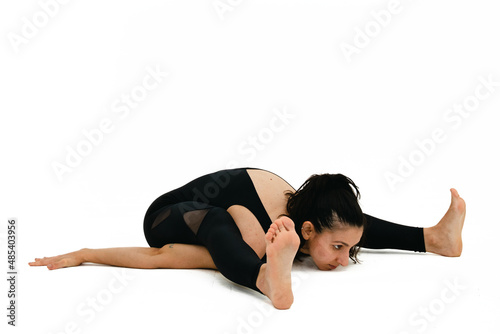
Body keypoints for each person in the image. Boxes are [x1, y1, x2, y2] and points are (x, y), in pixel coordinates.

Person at [29, 167, 466, 309]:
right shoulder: (263, 222)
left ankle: (432, 239)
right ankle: (265, 280)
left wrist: (339, 242)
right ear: (304, 232)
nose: (346, 259)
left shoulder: (306, 221)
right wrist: (81, 254)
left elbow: (168, 261)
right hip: (171, 214)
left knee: (343, 221)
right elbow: (158, 250)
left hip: (236, 232)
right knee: (224, 227)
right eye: (339, 250)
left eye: (349, 251)